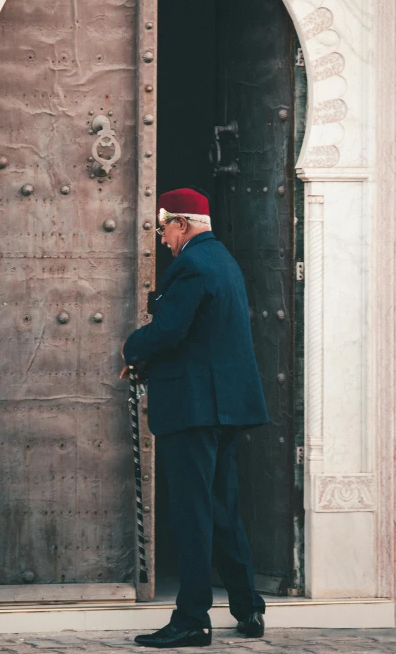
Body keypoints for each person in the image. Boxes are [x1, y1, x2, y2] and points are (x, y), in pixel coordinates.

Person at [120, 188, 269, 648]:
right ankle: (248, 608)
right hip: (222, 408)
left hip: (194, 409)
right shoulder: (222, 260)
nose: (162, 237)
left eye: (164, 227)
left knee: (193, 512)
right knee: (223, 510)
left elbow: (170, 329)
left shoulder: (191, 265)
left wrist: (132, 348)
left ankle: (191, 619)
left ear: (181, 223)